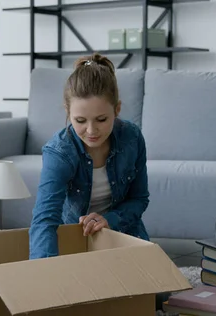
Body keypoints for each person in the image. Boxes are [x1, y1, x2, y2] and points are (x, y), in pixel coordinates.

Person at [28, 52, 151, 260]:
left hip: (122, 231)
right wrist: (43, 273)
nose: (91, 130)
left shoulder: (132, 138)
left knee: (159, 293)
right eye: (80, 120)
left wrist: (109, 219)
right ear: (68, 112)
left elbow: (139, 198)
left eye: (101, 119)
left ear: (117, 110)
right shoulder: (59, 152)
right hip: (77, 240)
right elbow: (45, 218)